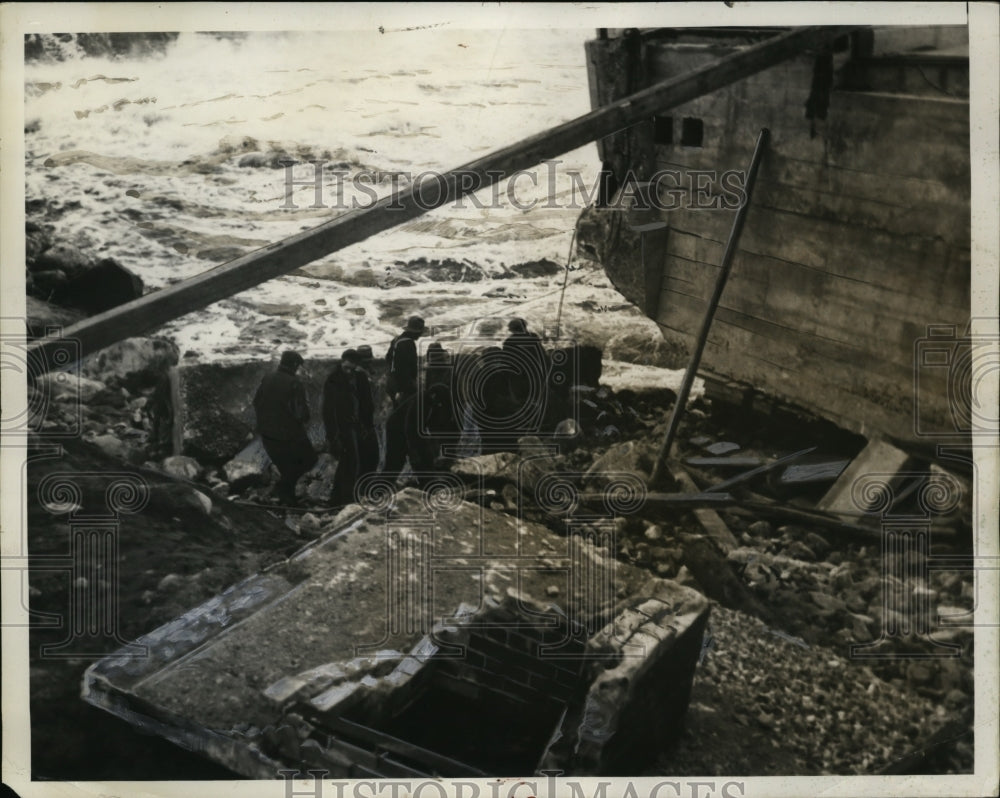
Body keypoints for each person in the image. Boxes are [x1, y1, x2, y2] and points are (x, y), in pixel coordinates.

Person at [253, 350, 317, 505]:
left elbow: (256, 402)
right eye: (298, 366)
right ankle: (283, 490)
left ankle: (286, 498)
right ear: (294, 365)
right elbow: (301, 414)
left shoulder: (267, 378)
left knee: (286, 466)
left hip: (268, 434)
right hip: (288, 435)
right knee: (309, 459)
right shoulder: (294, 383)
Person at [383, 316, 426, 485]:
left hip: (395, 391)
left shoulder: (397, 340)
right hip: (404, 392)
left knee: (399, 435)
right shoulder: (408, 344)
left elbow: (389, 360)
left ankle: (387, 481)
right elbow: (404, 371)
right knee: (410, 435)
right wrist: (411, 389)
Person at [323, 349, 361, 509]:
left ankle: (340, 498)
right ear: (342, 361)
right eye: (347, 367)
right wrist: (333, 435)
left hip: (344, 426)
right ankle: (342, 499)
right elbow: (328, 409)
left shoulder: (341, 378)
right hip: (340, 428)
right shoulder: (335, 380)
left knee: (348, 461)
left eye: (352, 368)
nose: (349, 370)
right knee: (350, 460)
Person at [354, 345, 379, 479]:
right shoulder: (360, 375)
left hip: (363, 420)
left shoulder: (362, 373)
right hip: (364, 421)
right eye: (367, 360)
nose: (370, 362)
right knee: (370, 455)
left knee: (367, 455)